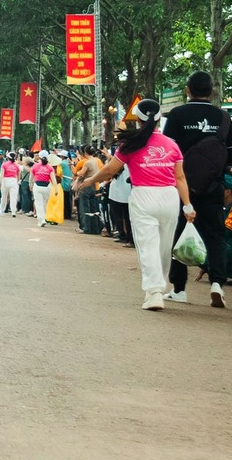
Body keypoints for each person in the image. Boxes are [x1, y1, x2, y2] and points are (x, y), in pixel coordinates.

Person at [76, 99, 195, 310]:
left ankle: (154, 292)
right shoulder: (172, 145)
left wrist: (90, 180)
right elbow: (180, 178)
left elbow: (110, 170)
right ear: (159, 118)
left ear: (137, 119)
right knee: (164, 246)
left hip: (143, 196)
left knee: (147, 245)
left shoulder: (130, 144)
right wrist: (187, 205)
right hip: (169, 197)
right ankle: (159, 287)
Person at [165, 71, 232, 308]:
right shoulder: (223, 117)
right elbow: (231, 156)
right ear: (212, 90)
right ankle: (217, 283)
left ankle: (179, 289)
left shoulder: (177, 115)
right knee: (216, 236)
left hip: (181, 186)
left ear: (188, 90)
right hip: (213, 187)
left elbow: (168, 153)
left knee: (178, 233)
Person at [30, 153, 56, 225]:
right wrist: (56, 188)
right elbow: (53, 179)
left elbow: (31, 177)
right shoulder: (50, 167)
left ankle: (41, 220)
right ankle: (43, 219)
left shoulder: (35, 166)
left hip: (37, 186)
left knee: (38, 204)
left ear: (39, 157)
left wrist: (30, 184)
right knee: (44, 203)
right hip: (47, 187)